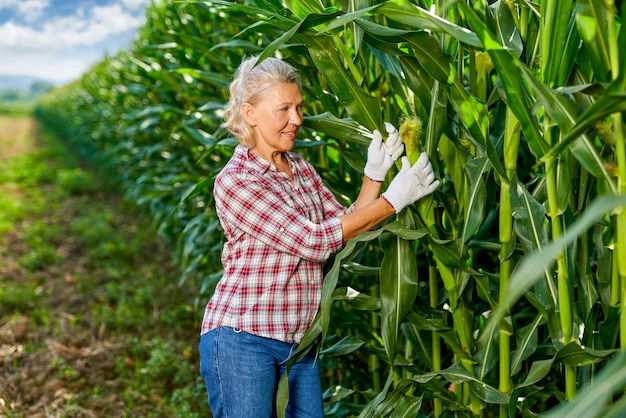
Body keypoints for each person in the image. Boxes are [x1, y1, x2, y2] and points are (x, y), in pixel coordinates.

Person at [198, 55, 439, 418]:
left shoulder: (299, 169)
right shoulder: (236, 182)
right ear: (250, 113)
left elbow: (345, 225)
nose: (296, 119)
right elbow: (314, 241)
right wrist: (394, 199)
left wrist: (375, 174)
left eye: (298, 107)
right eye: (283, 109)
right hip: (244, 338)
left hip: (299, 341)